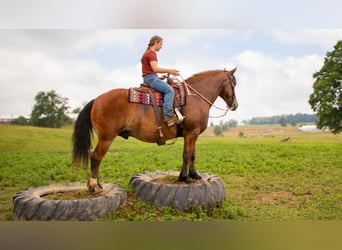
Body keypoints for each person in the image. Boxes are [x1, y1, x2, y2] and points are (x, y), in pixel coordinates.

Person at [141, 35, 180, 127]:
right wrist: (169, 70)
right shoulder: (151, 53)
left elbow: (150, 71)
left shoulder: (147, 53)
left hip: (150, 78)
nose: (161, 47)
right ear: (155, 43)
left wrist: (159, 78)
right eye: (160, 44)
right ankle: (168, 117)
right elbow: (155, 68)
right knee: (169, 90)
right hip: (151, 78)